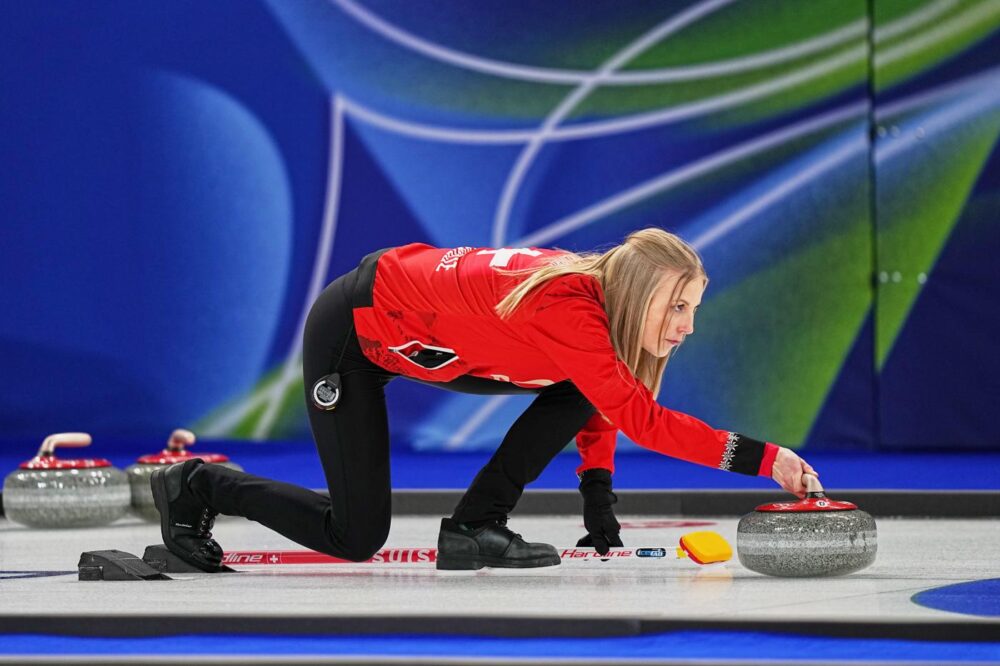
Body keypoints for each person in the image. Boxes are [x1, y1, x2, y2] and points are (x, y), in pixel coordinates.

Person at [151, 228, 817, 572]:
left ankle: (472, 528)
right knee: (354, 536)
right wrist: (768, 459)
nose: (686, 326)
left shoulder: (596, 304)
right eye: (677, 306)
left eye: (693, 308)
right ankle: (198, 486)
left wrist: (597, 498)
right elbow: (639, 416)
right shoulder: (572, 309)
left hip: (420, 332)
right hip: (353, 333)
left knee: (580, 390)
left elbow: (602, 400)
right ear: (638, 293)